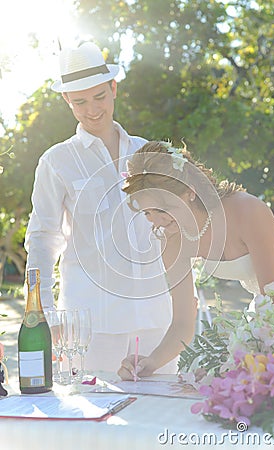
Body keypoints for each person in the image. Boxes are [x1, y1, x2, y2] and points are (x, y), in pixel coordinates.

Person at [24, 42, 176, 373]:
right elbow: (42, 239)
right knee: (94, 418)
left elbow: (171, 226)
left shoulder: (145, 152)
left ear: (114, 88)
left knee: (159, 413)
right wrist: (44, 314)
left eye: (99, 97)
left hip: (155, 317)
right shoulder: (56, 161)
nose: (92, 109)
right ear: (66, 100)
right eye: (79, 101)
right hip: (91, 323)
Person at [118, 140, 274, 380]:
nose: (156, 221)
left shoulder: (247, 211)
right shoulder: (172, 240)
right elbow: (182, 323)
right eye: (147, 213)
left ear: (190, 191)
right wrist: (150, 363)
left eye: (162, 209)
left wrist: (234, 366)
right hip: (270, 311)